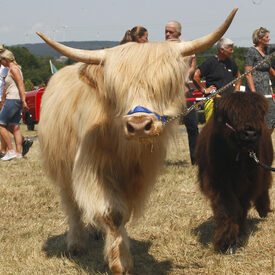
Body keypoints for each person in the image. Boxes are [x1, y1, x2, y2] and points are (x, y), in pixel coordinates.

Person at [165, 21, 198, 165]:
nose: (167, 34)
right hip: (167, 94)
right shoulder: (161, 49)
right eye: (166, 31)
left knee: (192, 126)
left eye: (170, 32)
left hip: (185, 92)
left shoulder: (187, 47)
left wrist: (186, 77)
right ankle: (159, 161)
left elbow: (193, 64)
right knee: (161, 128)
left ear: (179, 34)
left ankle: (196, 161)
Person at [193, 37, 241, 121]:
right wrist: (204, 90)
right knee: (212, 129)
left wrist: (236, 92)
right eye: (230, 49)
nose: (232, 51)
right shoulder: (210, 62)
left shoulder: (231, 62)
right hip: (213, 101)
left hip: (229, 102)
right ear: (222, 50)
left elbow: (238, 76)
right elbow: (195, 76)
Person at [0, 49, 29, 160]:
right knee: (15, 127)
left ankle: (10, 151)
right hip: (17, 100)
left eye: (1, 60)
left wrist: (24, 100)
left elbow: (21, 84)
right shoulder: (16, 68)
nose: (0, 62)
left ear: (5, 59)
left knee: (1, 125)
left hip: (12, 99)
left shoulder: (13, 69)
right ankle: (18, 153)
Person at [245, 27, 275, 131]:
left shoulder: (267, 49)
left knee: (271, 118)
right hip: (256, 91)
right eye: (267, 37)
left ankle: (264, 141)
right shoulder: (251, 51)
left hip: (267, 90)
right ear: (259, 39)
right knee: (256, 120)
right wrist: (253, 92)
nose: (269, 39)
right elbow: (248, 74)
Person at [0, 45, 9, 158]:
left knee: (2, 125)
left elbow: (6, 85)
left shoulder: (5, 67)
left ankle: (3, 150)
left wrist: (3, 99)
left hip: (2, 97)